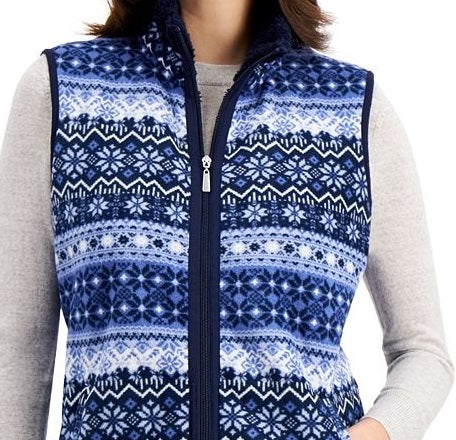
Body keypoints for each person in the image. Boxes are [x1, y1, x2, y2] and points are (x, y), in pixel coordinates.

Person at [0, 0, 454, 439]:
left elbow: (423, 351)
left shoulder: (351, 108)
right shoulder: (64, 90)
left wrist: (372, 435)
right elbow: (16, 347)